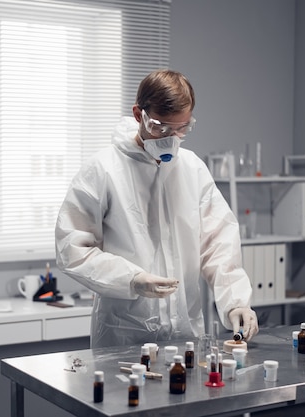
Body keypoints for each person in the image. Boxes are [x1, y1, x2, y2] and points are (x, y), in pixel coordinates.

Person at [55, 69, 258, 348]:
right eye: (160, 128)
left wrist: (235, 302)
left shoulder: (192, 168)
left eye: (181, 129)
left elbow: (218, 244)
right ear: (139, 114)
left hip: (185, 336)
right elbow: (72, 250)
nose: (171, 138)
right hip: (124, 337)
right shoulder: (102, 170)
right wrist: (132, 279)